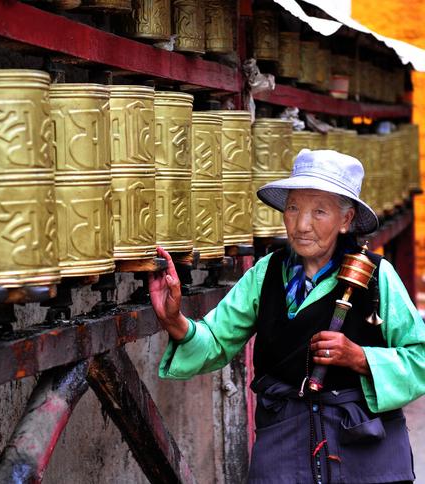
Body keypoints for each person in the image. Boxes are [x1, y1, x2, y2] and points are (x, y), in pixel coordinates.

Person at [150, 149, 425, 483]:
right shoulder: (266, 273)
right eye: (293, 208)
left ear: (346, 219)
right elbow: (215, 340)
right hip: (284, 442)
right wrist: (174, 320)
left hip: (363, 444)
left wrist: (361, 359)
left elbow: (420, 358)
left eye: (319, 211)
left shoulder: (377, 276)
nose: (301, 224)